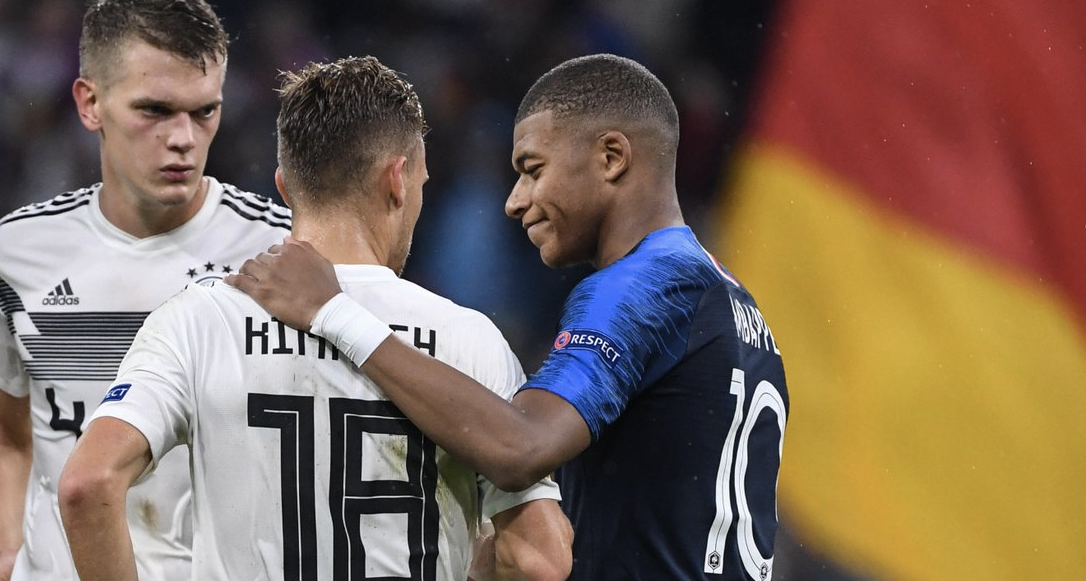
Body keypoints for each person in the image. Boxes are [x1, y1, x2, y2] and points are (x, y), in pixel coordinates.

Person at [227, 53, 791, 580]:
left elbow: (520, 448)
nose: (515, 200)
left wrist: (333, 313)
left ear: (611, 158)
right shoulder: (732, 300)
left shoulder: (639, 286)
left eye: (533, 169)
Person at [58, 56, 573, 581]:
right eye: (420, 181)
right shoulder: (470, 339)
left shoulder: (199, 320)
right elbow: (540, 561)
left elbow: (86, 485)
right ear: (397, 180)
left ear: (285, 186)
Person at [0, 1, 293, 578]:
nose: (183, 139)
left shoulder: (282, 250)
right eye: (154, 110)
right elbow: (12, 438)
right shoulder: (15, 253)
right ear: (90, 103)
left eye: (205, 111)